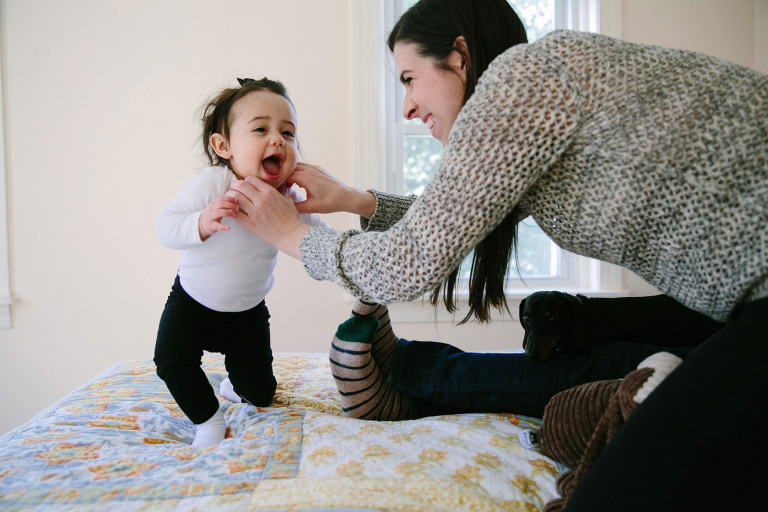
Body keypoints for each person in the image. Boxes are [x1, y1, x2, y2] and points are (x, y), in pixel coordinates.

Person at [227, 0, 767, 509]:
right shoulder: (536, 94)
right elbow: (454, 215)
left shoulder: (524, 78)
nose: (409, 105)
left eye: (411, 79)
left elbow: (409, 261)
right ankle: (417, 376)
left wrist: (294, 236)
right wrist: (355, 200)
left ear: (459, 56)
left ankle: (413, 380)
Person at [154, 77, 328, 448]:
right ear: (224, 146)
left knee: (260, 392)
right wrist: (201, 223)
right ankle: (208, 420)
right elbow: (165, 225)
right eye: (261, 129)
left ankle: (234, 386)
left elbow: (318, 239)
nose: (278, 139)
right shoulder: (214, 184)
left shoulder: (287, 197)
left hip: (247, 315)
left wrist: (314, 209)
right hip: (192, 303)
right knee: (170, 360)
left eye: (288, 132)